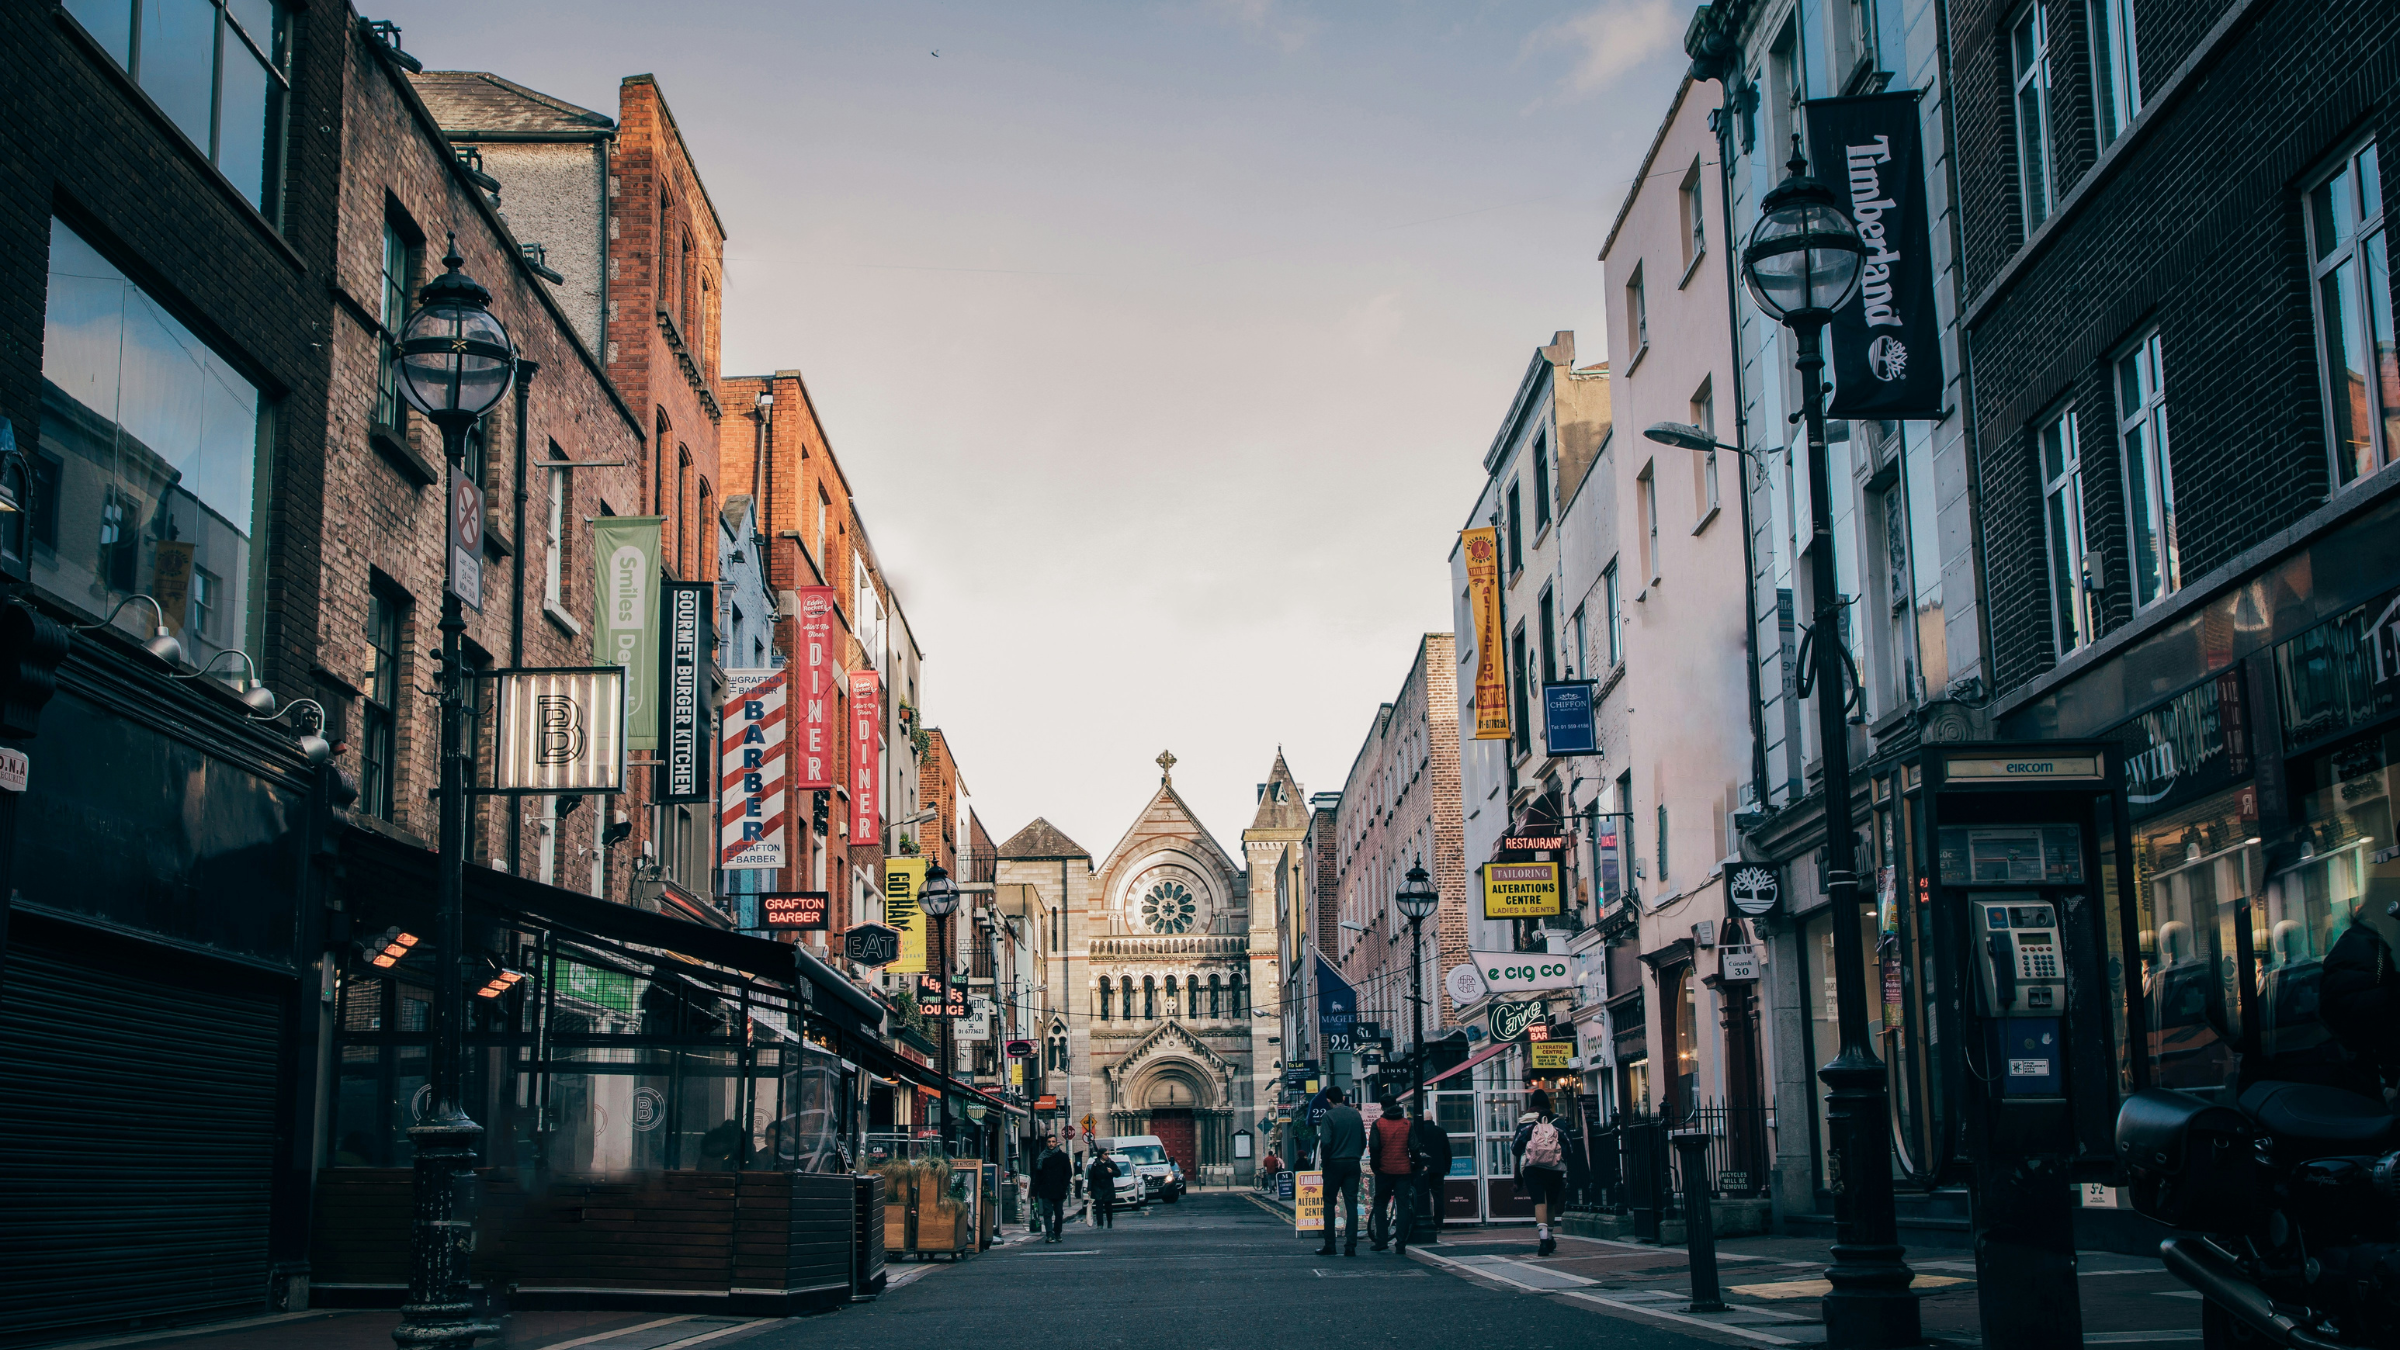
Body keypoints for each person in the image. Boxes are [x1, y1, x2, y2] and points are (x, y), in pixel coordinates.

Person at [2324, 900, 2400, 1094]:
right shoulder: (2374, 948)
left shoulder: (2353, 944)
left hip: (2359, 1058)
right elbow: (2382, 1012)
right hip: (2373, 1057)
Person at [1512, 1088, 1567, 1256]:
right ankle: (1550, 1238)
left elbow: (1515, 1148)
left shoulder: (1525, 1122)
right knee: (1551, 1203)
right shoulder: (1558, 1122)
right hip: (1554, 1168)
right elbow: (1569, 1146)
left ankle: (1542, 1241)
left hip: (1532, 1167)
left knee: (1539, 1203)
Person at [1314, 1086, 1365, 1257]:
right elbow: (1363, 1140)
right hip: (1352, 1163)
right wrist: (1356, 1155)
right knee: (1351, 1203)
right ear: (1342, 1098)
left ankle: (1330, 1245)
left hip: (1334, 1164)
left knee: (1329, 1203)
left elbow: (1326, 1143)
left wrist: (1326, 1162)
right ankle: (1350, 1245)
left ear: (1328, 1100)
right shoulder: (1355, 1114)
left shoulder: (1328, 1116)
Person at [1367, 1096, 1415, 1252]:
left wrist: (1376, 1167)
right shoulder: (1407, 1124)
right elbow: (1413, 1147)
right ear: (1396, 1105)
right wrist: (1416, 1166)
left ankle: (1381, 1241)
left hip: (1384, 1170)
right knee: (1403, 1206)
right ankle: (1401, 1244)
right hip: (1403, 1170)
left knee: (1380, 1204)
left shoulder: (1378, 1124)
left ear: (1382, 1107)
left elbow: (1374, 1148)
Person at [1408, 1104, 1454, 1246]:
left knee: (1422, 1195)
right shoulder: (1440, 1131)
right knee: (1438, 1196)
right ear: (1432, 1118)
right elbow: (1447, 1151)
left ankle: (1421, 1218)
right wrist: (1447, 1167)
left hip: (1422, 1168)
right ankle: (1438, 1222)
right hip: (1438, 1168)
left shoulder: (1418, 1131)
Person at [1031, 1134, 1073, 1243]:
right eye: (1049, 1142)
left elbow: (1068, 1173)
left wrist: (1064, 1186)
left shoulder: (1063, 1157)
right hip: (1046, 1189)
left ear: (1056, 1143)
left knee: (1059, 1213)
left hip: (1059, 1189)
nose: (1051, 1144)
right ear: (1046, 1143)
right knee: (1047, 1212)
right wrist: (1034, 1191)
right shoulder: (1042, 1157)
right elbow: (1038, 1175)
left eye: (1053, 1142)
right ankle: (1049, 1234)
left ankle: (1057, 1232)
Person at [1086, 1149, 1122, 1229]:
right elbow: (1091, 1177)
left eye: (1108, 1154)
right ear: (1101, 1155)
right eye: (1105, 1154)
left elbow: (1119, 1173)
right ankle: (1100, 1224)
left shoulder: (1110, 1163)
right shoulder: (1095, 1164)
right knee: (1099, 1207)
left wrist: (1112, 1172)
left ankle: (1109, 1222)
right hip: (1098, 1188)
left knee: (1108, 1207)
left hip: (1108, 1188)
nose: (1107, 1155)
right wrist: (1089, 1189)